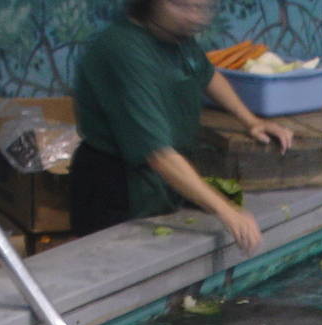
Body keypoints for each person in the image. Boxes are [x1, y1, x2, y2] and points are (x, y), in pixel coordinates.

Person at [70, 0, 294, 250]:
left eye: (201, 8)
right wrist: (227, 211)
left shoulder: (176, 38)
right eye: (182, 6)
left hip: (158, 182)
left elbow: (205, 73)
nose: (194, 17)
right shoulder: (124, 51)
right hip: (115, 187)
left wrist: (251, 121)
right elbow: (158, 155)